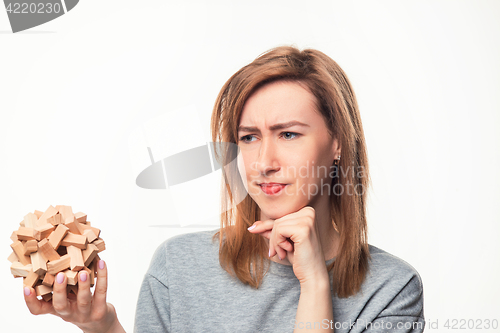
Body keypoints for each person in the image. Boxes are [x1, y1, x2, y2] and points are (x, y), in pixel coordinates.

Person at [24, 46, 425, 333]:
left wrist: (315, 284)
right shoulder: (178, 268)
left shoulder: (391, 290)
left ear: (337, 143)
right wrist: (102, 327)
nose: (264, 160)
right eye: (249, 138)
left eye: (288, 133)